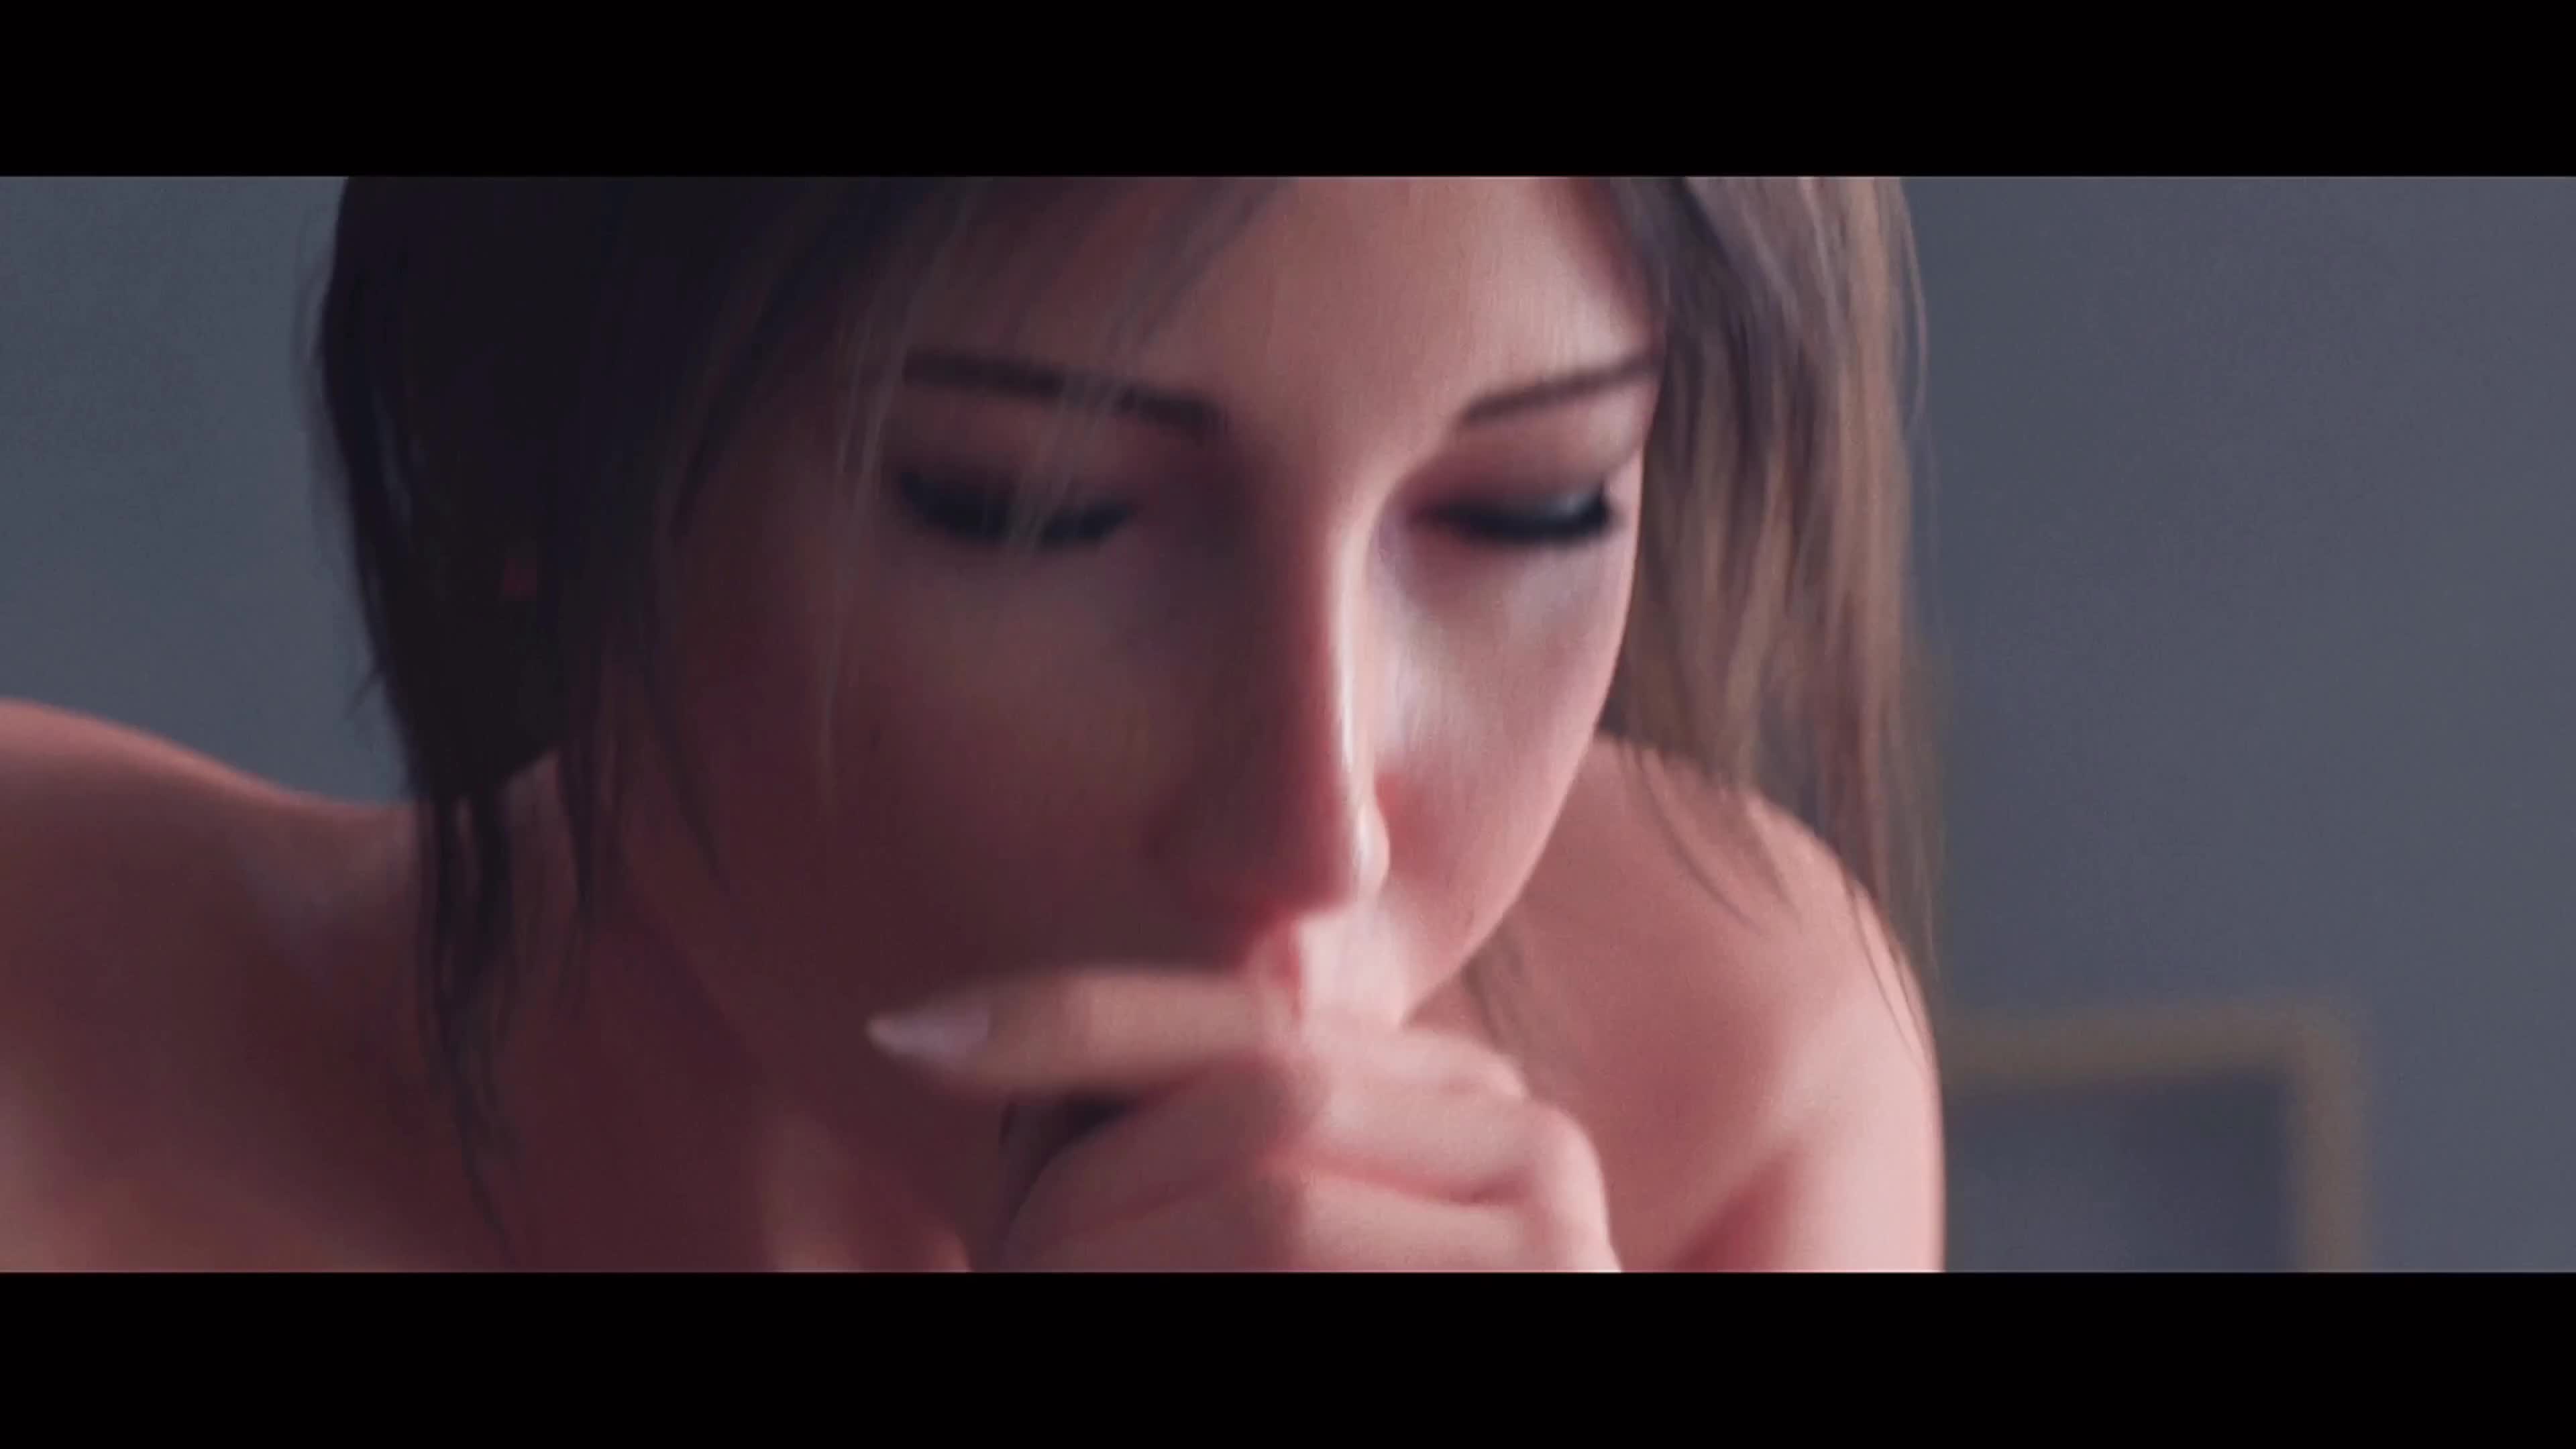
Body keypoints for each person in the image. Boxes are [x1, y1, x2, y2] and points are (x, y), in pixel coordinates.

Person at [0, 177, 1943, 1270]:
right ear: (523, 445)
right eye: (1033, 508)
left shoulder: (1718, 1083)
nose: (1318, 829)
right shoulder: (60, 1063)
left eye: (1531, 510)